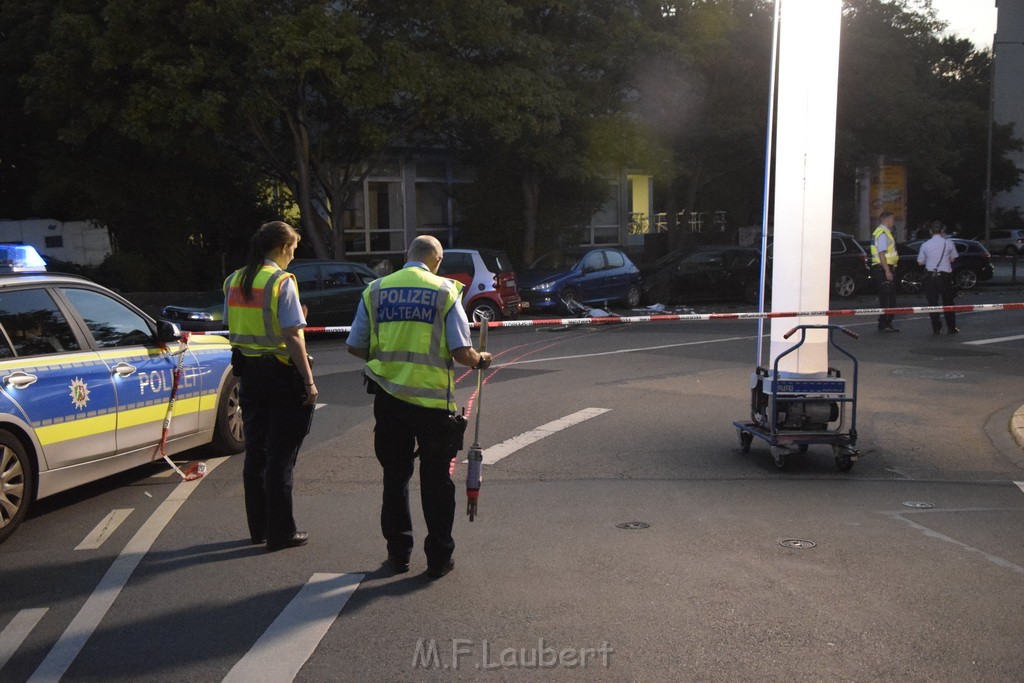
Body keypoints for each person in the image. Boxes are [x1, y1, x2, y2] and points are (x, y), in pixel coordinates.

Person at [346, 235, 492, 579]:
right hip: (431, 403)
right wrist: (480, 359)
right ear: (436, 260)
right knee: (436, 481)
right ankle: (439, 558)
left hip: (388, 398)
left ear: (407, 256)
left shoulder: (376, 290)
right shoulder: (444, 291)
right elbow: (460, 351)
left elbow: (354, 345)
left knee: (395, 479)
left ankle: (398, 555)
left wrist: (385, 360)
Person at [225, 221, 317, 552]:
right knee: (282, 456)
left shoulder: (234, 280)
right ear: (280, 248)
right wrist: (308, 379)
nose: (293, 255)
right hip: (281, 375)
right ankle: (281, 533)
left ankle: (259, 529)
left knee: (257, 451)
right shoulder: (281, 281)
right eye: (292, 249)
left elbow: (236, 323)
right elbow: (292, 335)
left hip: (248, 375)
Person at [917, 220, 959, 334]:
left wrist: (930, 260)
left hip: (930, 277)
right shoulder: (948, 243)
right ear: (942, 230)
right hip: (945, 276)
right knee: (948, 302)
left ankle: (936, 328)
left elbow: (920, 262)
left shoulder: (925, 244)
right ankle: (951, 327)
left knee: (932, 303)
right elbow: (953, 258)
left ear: (930, 231)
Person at [871, 211, 900, 332]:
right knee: (888, 299)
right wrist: (887, 270)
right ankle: (885, 324)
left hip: (881, 267)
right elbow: (881, 252)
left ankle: (884, 323)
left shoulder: (880, 232)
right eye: (892, 219)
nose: (893, 222)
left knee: (886, 297)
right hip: (883, 268)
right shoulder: (883, 233)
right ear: (887, 219)